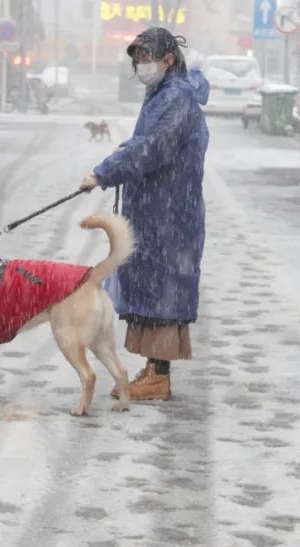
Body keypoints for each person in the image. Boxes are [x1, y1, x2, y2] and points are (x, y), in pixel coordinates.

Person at [79, 26, 209, 401]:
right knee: (155, 291)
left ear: (169, 60)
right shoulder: (163, 93)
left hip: (168, 215)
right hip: (158, 211)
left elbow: (150, 149)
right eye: (137, 59)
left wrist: (104, 172)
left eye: (147, 58)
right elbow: (145, 145)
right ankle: (154, 370)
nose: (141, 65)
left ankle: (158, 375)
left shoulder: (175, 98)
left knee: (163, 292)